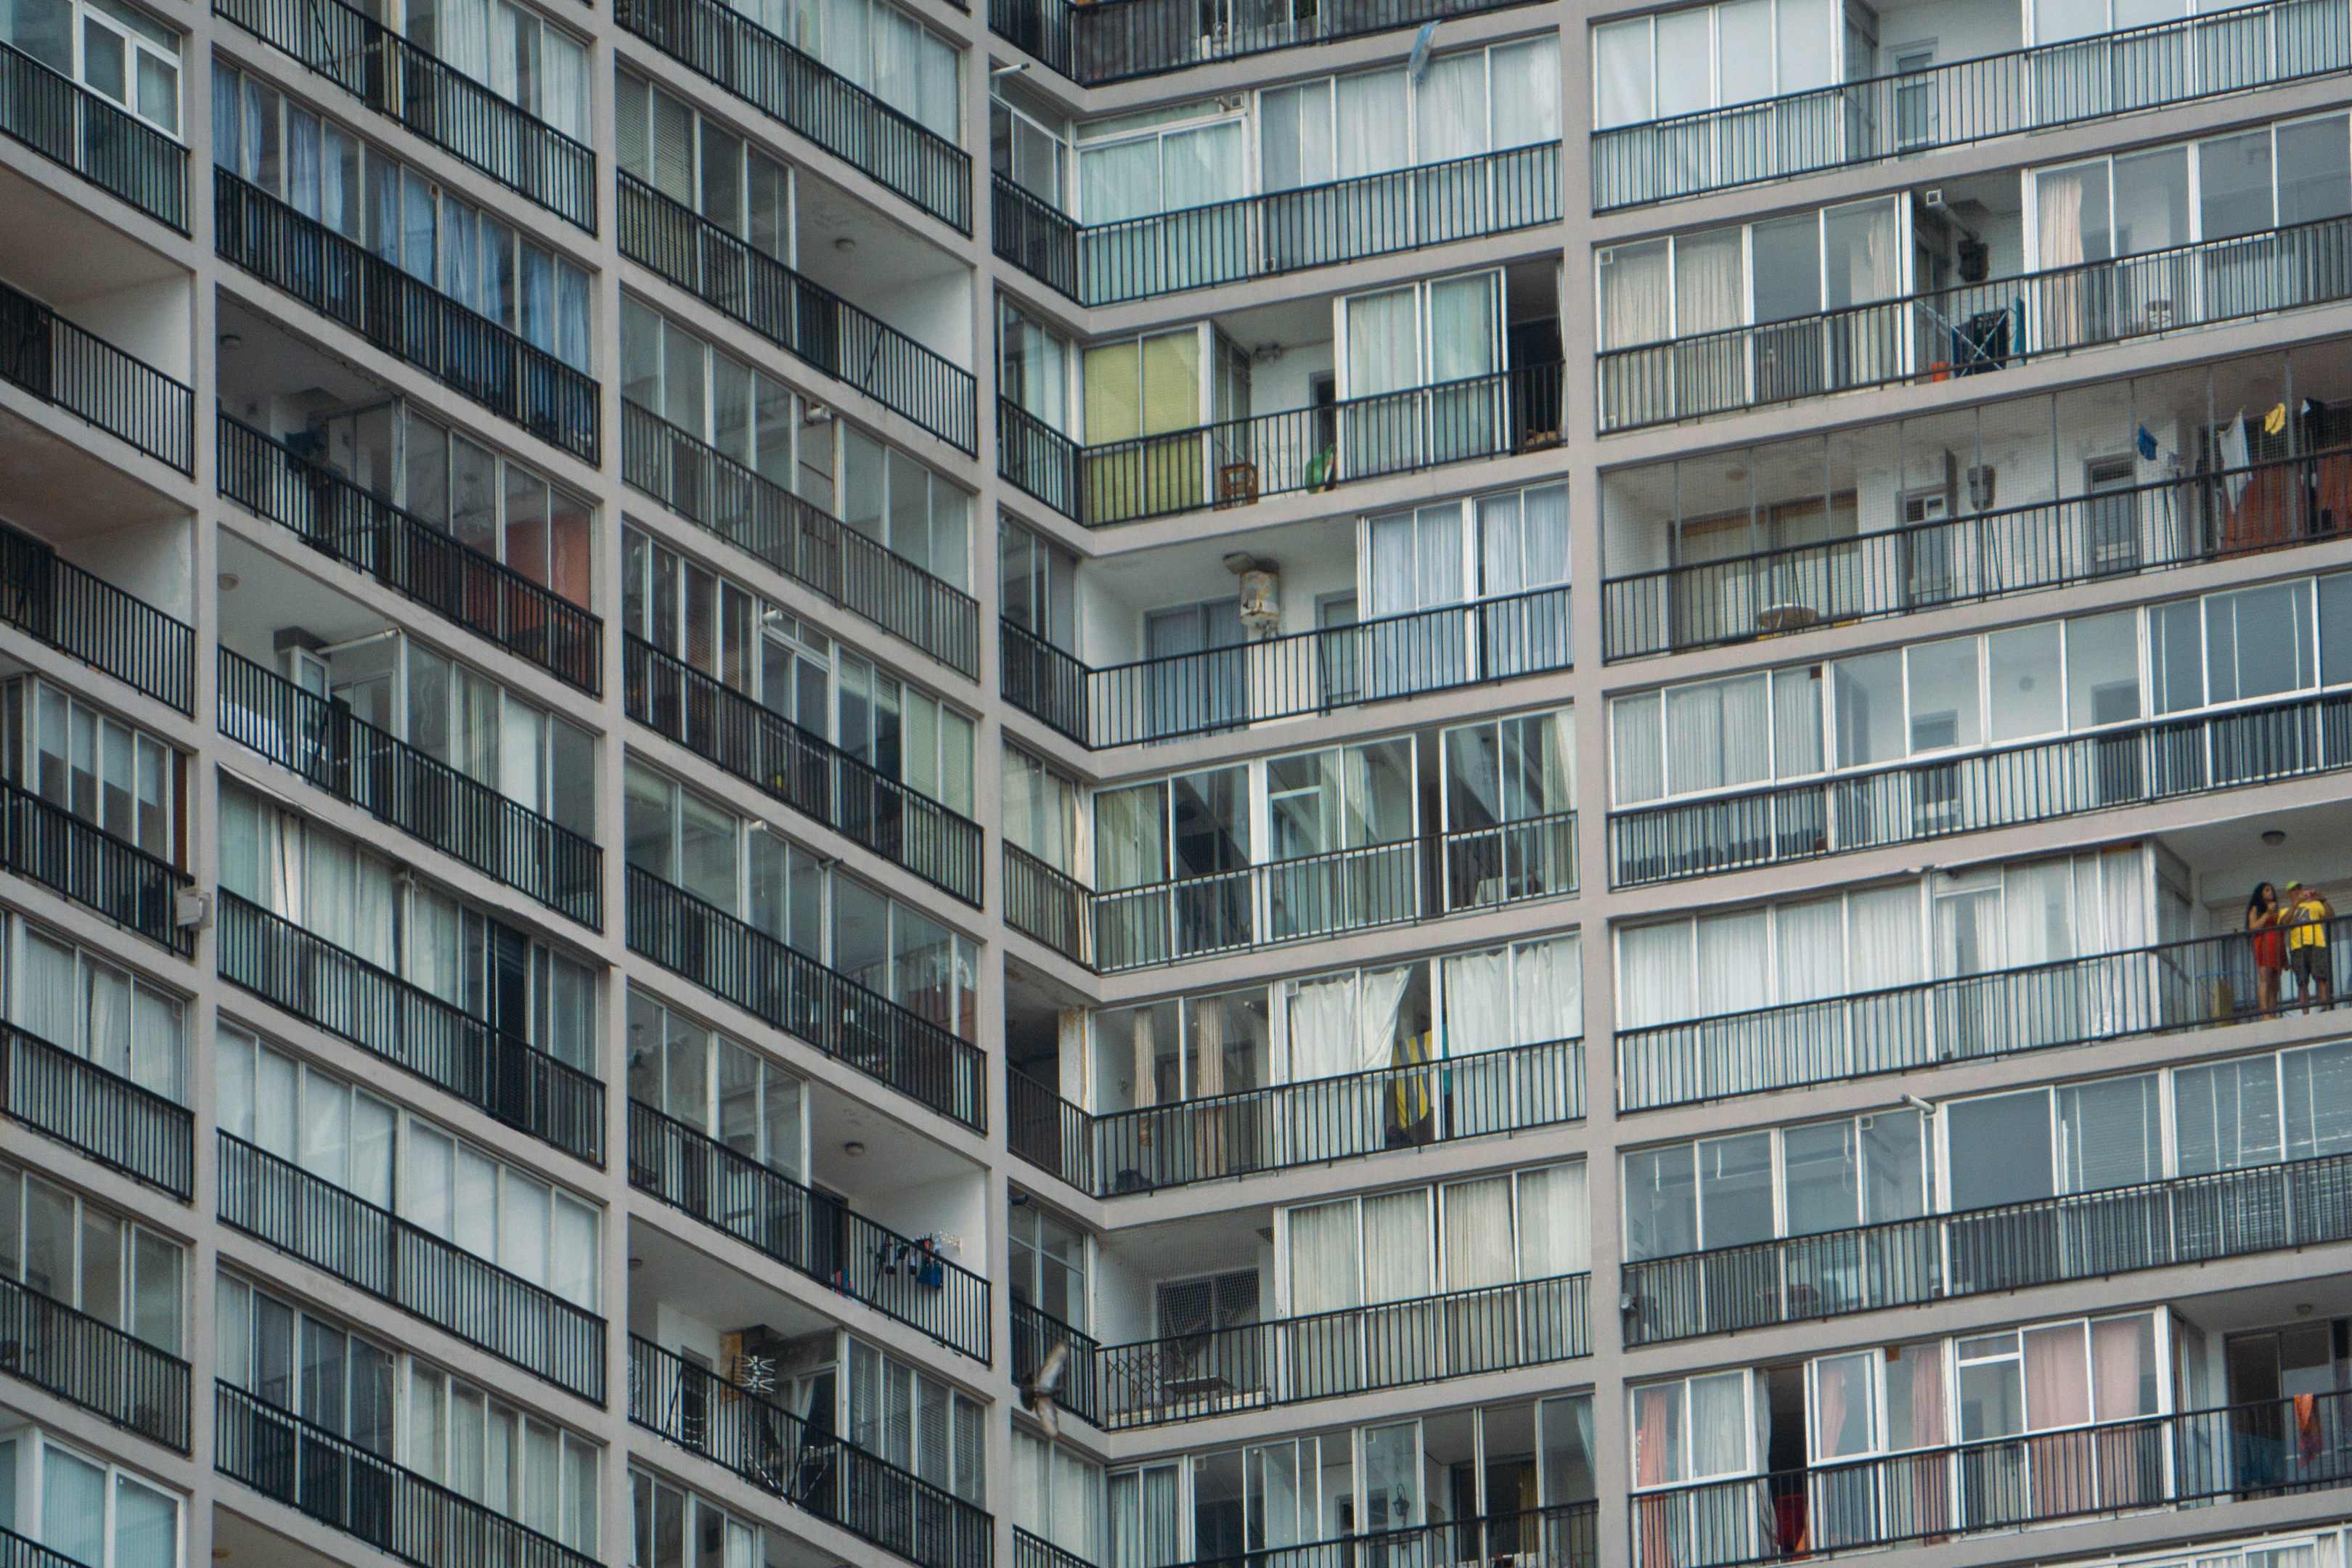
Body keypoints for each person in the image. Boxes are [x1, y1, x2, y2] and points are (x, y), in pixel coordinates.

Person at [2285, 881, 2336, 1010]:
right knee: (2302, 982)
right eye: (2294, 890)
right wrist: (2296, 904)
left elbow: (2330, 916)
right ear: (2289, 894)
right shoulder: (2287, 910)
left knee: (2321, 977)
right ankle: (2305, 1014)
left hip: (2317, 945)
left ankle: (2324, 1009)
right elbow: (2283, 923)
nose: (2298, 891)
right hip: (2298, 948)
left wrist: (2322, 899)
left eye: (2299, 889)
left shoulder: (2314, 904)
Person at [2249, 882, 2287, 1018]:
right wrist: (2267, 914)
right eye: (2267, 890)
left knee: (2275, 983)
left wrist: (2285, 957)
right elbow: (2253, 927)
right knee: (2265, 979)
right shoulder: (2256, 909)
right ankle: (2265, 1014)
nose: (2271, 893)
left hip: (2277, 946)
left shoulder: (2277, 910)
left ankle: (2273, 1013)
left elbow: (2282, 933)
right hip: (2264, 944)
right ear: (2261, 894)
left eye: (2272, 890)